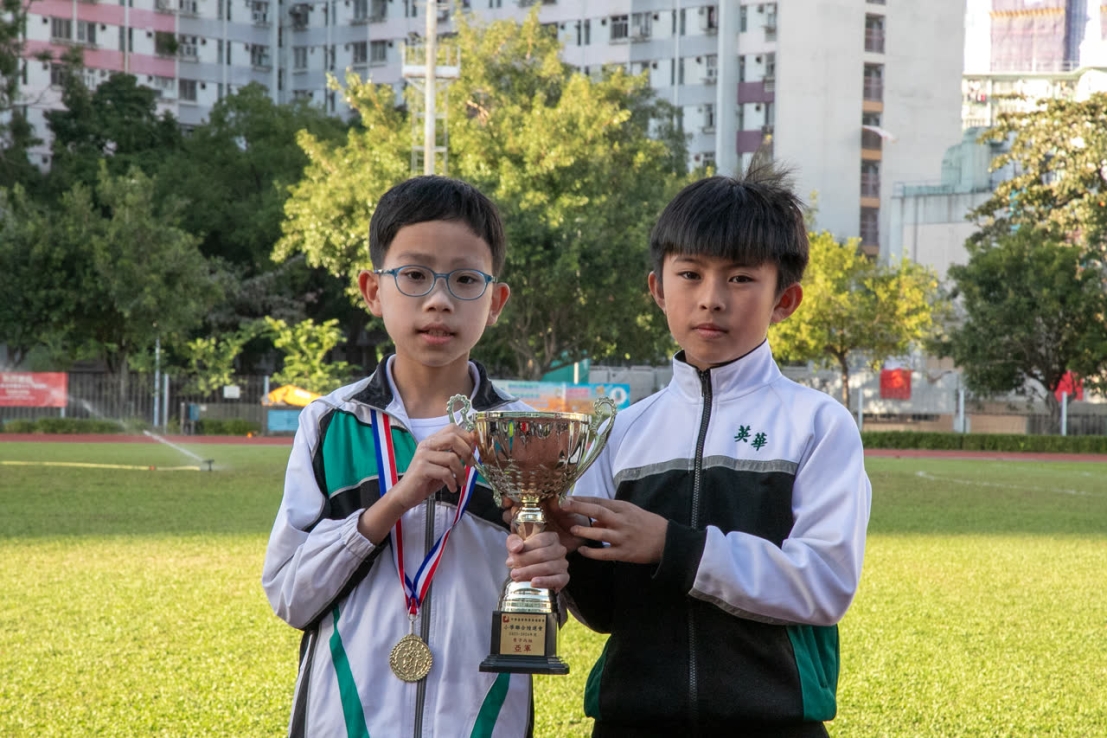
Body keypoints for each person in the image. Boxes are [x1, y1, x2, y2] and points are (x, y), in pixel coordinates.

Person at [556, 166, 872, 737]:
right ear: (658, 289)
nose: (711, 299)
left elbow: (824, 583)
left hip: (774, 725)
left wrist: (673, 547)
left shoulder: (818, 424)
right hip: (631, 723)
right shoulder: (619, 432)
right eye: (690, 274)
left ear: (785, 299)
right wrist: (564, 552)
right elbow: (604, 613)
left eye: (741, 278)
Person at [262, 175, 568, 738]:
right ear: (373, 290)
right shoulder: (331, 424)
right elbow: (290, 595)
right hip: (346, 719)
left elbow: (551, 610)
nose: (439, 300)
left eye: (466, 279)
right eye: (415, 275)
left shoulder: (527, 437)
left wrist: (551, 570)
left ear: (496, 302)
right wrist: (396, 500)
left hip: (479, 717)